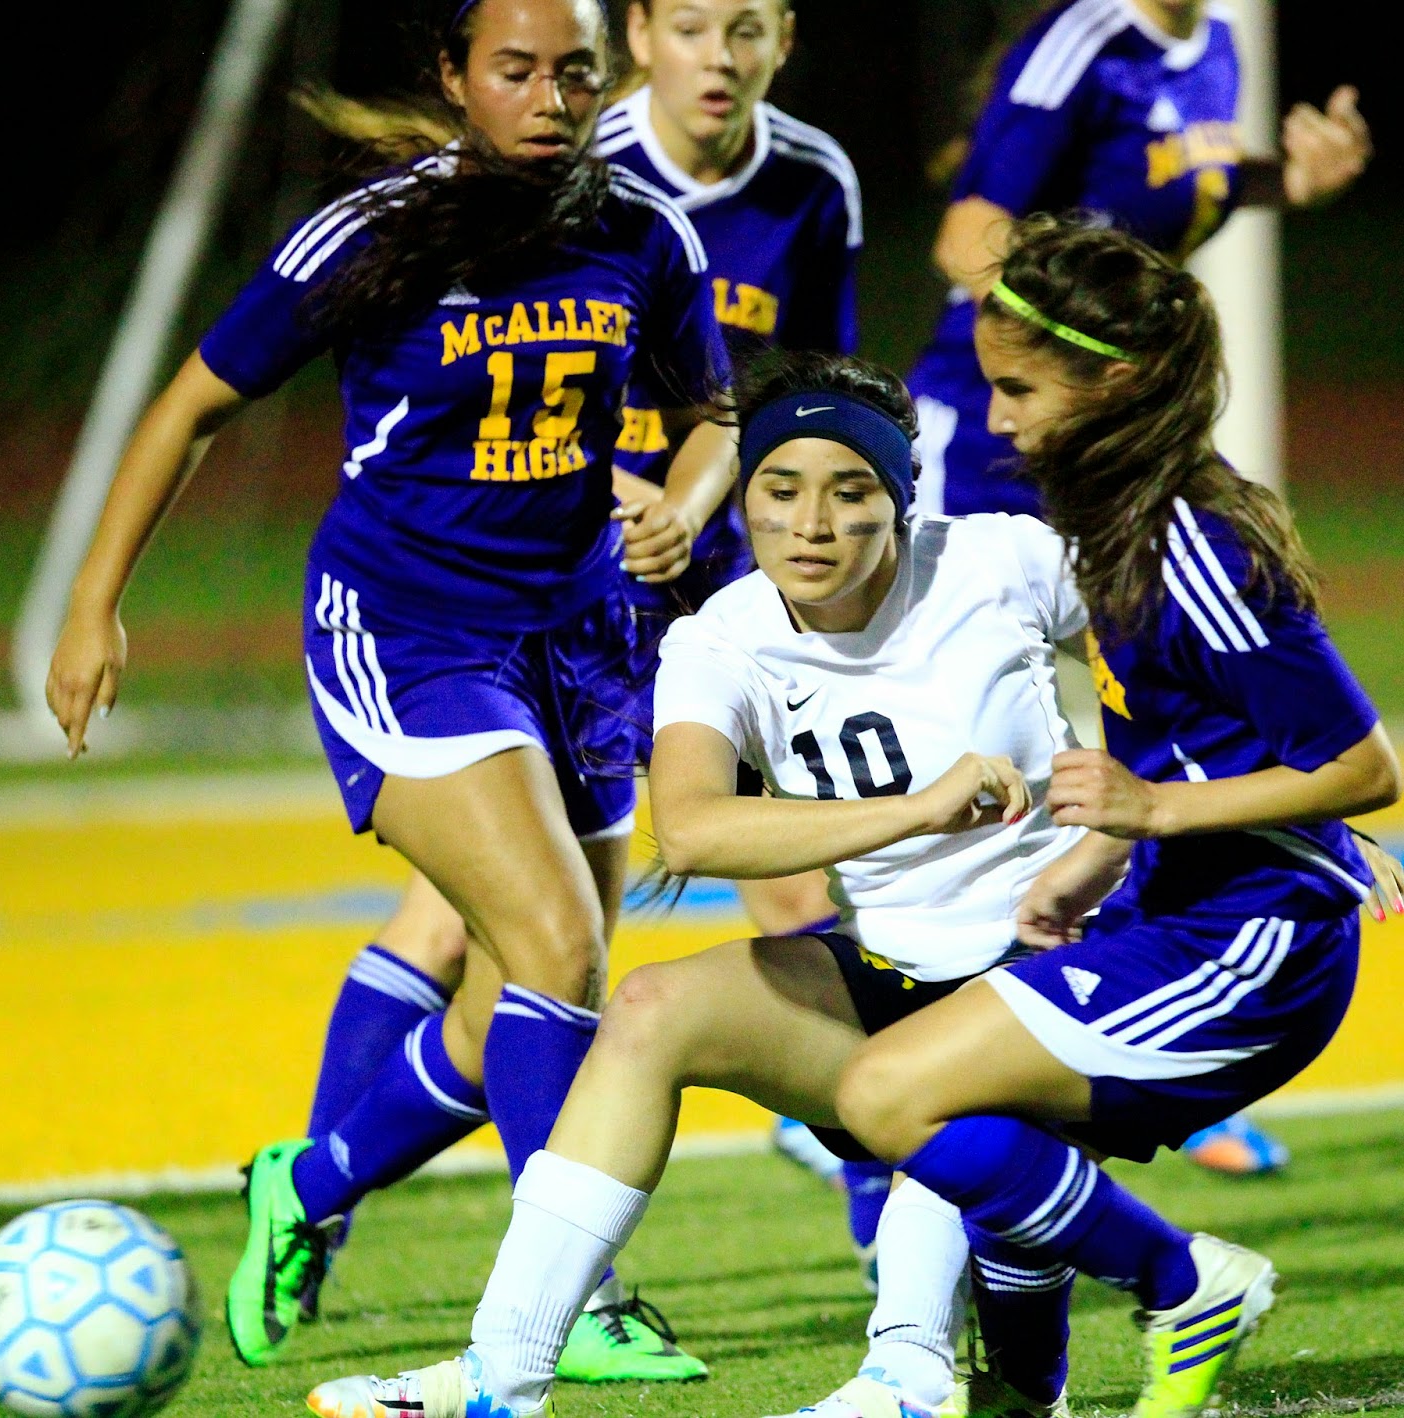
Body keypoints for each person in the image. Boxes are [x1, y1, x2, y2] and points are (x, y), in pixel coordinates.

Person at [43, 0, 736, 1373]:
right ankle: (570, 1304)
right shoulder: (375, 234)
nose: (549, 98)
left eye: (573, 73)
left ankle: (306, 1183)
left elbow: (712, 411)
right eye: (515, 70)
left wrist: (683, 500)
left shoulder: (643, 233)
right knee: (554, 945)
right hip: (408, 626)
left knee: (531, 994)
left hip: (579, 631)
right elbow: (192, 406)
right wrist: (90, 601)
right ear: (454, 78)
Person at [304, 344, 1106, 1418]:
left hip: (1072, 978)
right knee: (648, 1007)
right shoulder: (722, 634)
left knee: (941, 1098)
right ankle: (502, 1371)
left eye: (849, 491)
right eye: (778, 490)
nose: (809, 524)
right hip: (892, 971)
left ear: (901, 496)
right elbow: (687, 827)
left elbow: (1183, 671)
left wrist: (1190, 822)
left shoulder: (1001, 560)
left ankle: (907, 1370)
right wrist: (917, 808)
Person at [294, 0, 876, 1348]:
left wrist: (801, 525)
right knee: (485, 933)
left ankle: (873, 1209)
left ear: (787, 38)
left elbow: (790, 384)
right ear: (638, 42)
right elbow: (495, 401)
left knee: (751, 887)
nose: (720, 57)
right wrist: (602, 485)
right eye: (693, 26)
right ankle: (359, 1202)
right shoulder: (565, 167)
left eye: (750, 28)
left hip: (719, 581)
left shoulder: (811, 182)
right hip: (565, 598)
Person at [816, 216, 1399, 1418]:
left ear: (1115, 385)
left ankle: (1187, 1282)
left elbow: (1361, 762)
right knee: (985, 1116)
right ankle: (1021, 1395)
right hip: (1185, 902)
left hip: (1254, 942)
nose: (996, 419)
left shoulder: (1195, 537)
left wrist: (1155, 809)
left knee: (891, 1093)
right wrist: (1098, 852)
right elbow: (1182, 733)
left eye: (1019, 388)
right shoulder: (1113, 515)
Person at [899, 0, 1372, 1181]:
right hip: (987, 443)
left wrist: (1274, 183)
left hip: (1084, 422)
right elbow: (969, 234)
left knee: (1133, 694)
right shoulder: (1084, 37)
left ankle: (1111, 1017)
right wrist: (1066, 331)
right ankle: (1004, 1008)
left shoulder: (1210, 44)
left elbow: (1160, 192)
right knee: (951, 717)